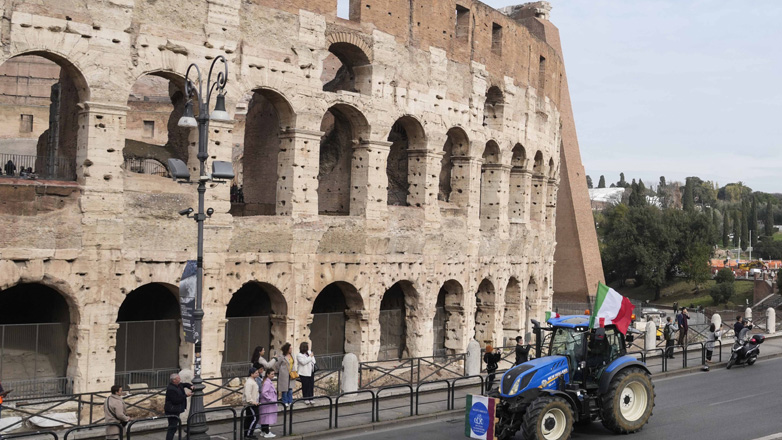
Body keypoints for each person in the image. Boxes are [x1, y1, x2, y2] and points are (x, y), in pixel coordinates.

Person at [164, 373, 192, 440]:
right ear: (174, 380)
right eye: (178, 378)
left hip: (176, 410)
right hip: (172, 410)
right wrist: (186, 395)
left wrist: (190, 386)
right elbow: (175, 400)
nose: (180, 379)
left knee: (174, 427)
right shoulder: (171, 389)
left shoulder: (178, 385)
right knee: (172, 427)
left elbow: (185, 384)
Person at [259, 368, 278, 438]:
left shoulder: (267, 381)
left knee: (265, 417)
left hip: (266, 402)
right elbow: (264, 392)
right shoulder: (267, 382)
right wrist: (271, 399)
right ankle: (266, 432)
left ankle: (263, 431)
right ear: (268, 374)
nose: (273, 375)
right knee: (267, 417)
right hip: (267, 403)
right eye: (272, 374)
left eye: (274, 374)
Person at [275, 342, 295, 407]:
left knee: (290, 389)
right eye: (290, 348)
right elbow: (277, 365)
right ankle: (285, 401)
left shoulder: (292, 355)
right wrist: (280, 371)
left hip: (291, 373)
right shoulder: (282, 357)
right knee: (284, 389)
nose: (291, 349)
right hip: (284, 374)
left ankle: (290, 401)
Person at [243, 367, 261, 439]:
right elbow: (248, 393)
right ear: (251, 374)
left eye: (257, 372)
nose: (258, 374)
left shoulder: (253, 381)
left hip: (254, 402)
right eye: (256, 373)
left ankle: (248, 434)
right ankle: (248, 434)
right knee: (255, 418)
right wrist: (251, 401)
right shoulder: (249, 382)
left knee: (250, 419)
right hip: (251, 404)